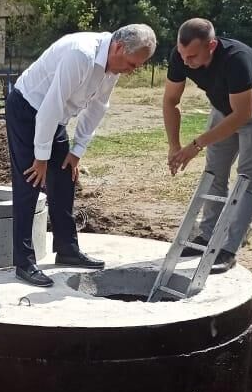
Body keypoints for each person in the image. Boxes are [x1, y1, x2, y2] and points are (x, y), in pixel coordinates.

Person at [8, 24, 157, 286]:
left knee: (65, 176)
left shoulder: (113, 66)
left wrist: (77, 152)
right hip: (28, 109)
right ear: (119, 47)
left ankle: (67, 249)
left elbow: (98, 107)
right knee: (29, 183)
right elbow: (48, 107)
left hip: (55, 118)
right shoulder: (81, 55)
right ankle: (24, 262)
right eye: (133, 64)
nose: (132, 71)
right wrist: (41, 158)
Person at [162, 18, 252, 273]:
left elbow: (243, 115)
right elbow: (171, 100)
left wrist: (196, 145)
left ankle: (228, 249)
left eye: (192, 56)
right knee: (214, 173)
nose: (186, 62)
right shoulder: (180, 56)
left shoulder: (236, 59)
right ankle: (207, 236)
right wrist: (174, 145)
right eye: (182, 55)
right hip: (222, 107)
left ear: (212, 46)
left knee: (247, 179)